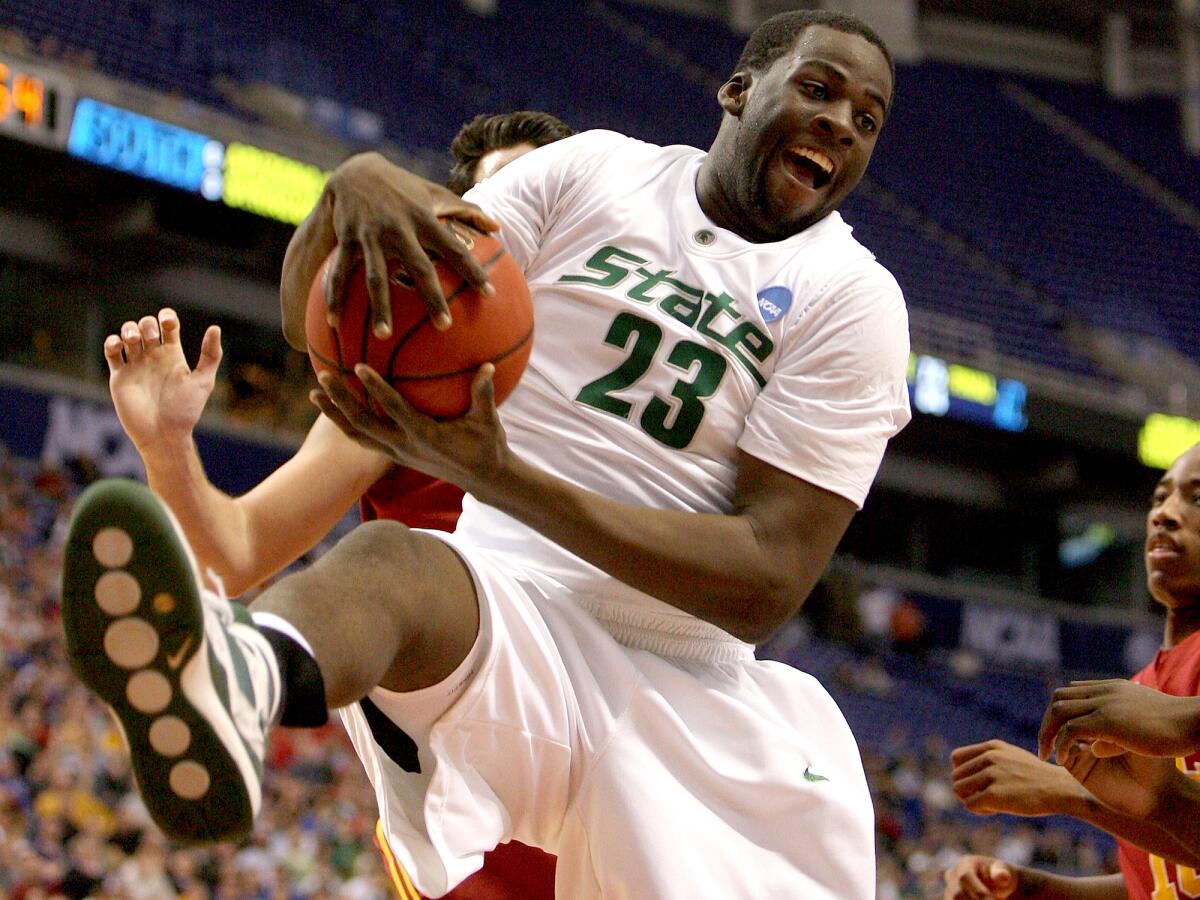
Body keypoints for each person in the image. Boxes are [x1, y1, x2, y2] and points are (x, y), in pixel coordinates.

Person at [62, 11, 908, 898]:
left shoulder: (852, 300)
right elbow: (349, 316)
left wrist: (497, 472)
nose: (841, 123)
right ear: (738, 91)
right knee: (393, 560)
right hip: (499, 618)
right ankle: (233, 681)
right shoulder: (590, 180)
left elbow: (767, 584)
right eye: (819, 90)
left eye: (868, 118)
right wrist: (346, 193)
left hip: (686, 685)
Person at [98, 111, 570, 900]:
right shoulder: (406, 376)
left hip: (624, 752)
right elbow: (231, 554)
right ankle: (238, 679)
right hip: (471, 797)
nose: (515, 221)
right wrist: (166, 447)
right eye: (495, 203)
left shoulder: (636, 384)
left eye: (538, 196)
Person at [943, 443, 1200, 899]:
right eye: (1159, 498)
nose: (1165, 513)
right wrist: (1032, 890)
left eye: (1196, 498)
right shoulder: (1137, 691)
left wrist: (1064, 788)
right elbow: (1162, 882)